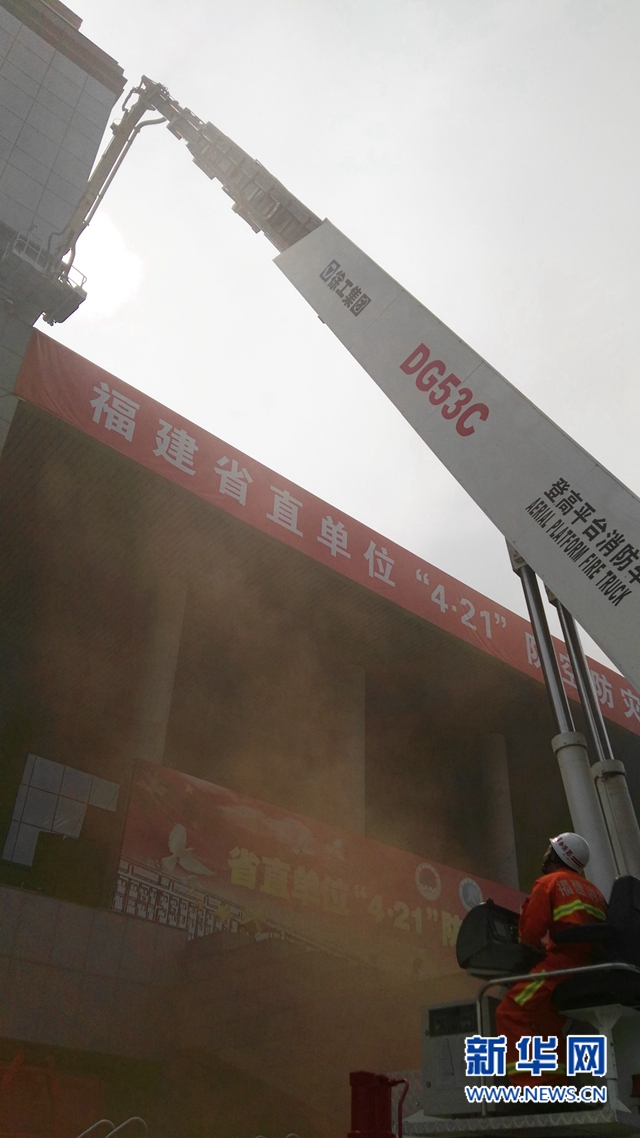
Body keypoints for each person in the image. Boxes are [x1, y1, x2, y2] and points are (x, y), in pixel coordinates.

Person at [495, 831, 607, 1085]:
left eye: (550, 850)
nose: (545, 854)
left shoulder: (549, 883)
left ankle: (529, 1088)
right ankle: (556, 1086)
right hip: (592, 968)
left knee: (510, 1010)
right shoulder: (594, 892)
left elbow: (530, 934)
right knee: (545, 1019)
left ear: (557, 856)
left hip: (563, 966)